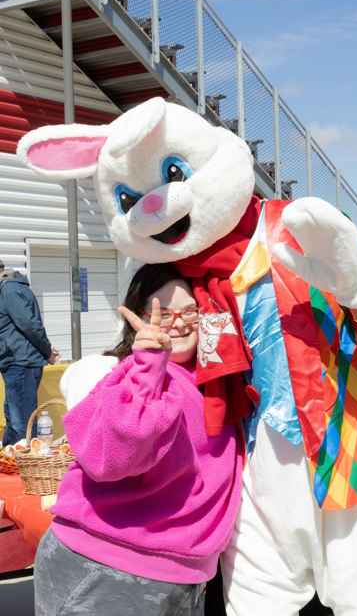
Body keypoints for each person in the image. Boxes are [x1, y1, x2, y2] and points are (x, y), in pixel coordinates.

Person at [34, 264, 243, 616]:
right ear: (139, 318)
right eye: (160, 312)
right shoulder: (129, 375)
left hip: (181, 577)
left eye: (189, 310)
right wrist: (148, 366)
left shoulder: (216, 383)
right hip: (105, 567)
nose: (177, 323)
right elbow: (110, 459)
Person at [0, 261, 60, 445]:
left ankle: (22, 470)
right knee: (13, 419)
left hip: (21, 363)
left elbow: (30, 325)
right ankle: (7, 463)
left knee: (22, 422)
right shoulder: (8, 289)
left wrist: (46, 350)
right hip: (15, 362)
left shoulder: (9, 291)